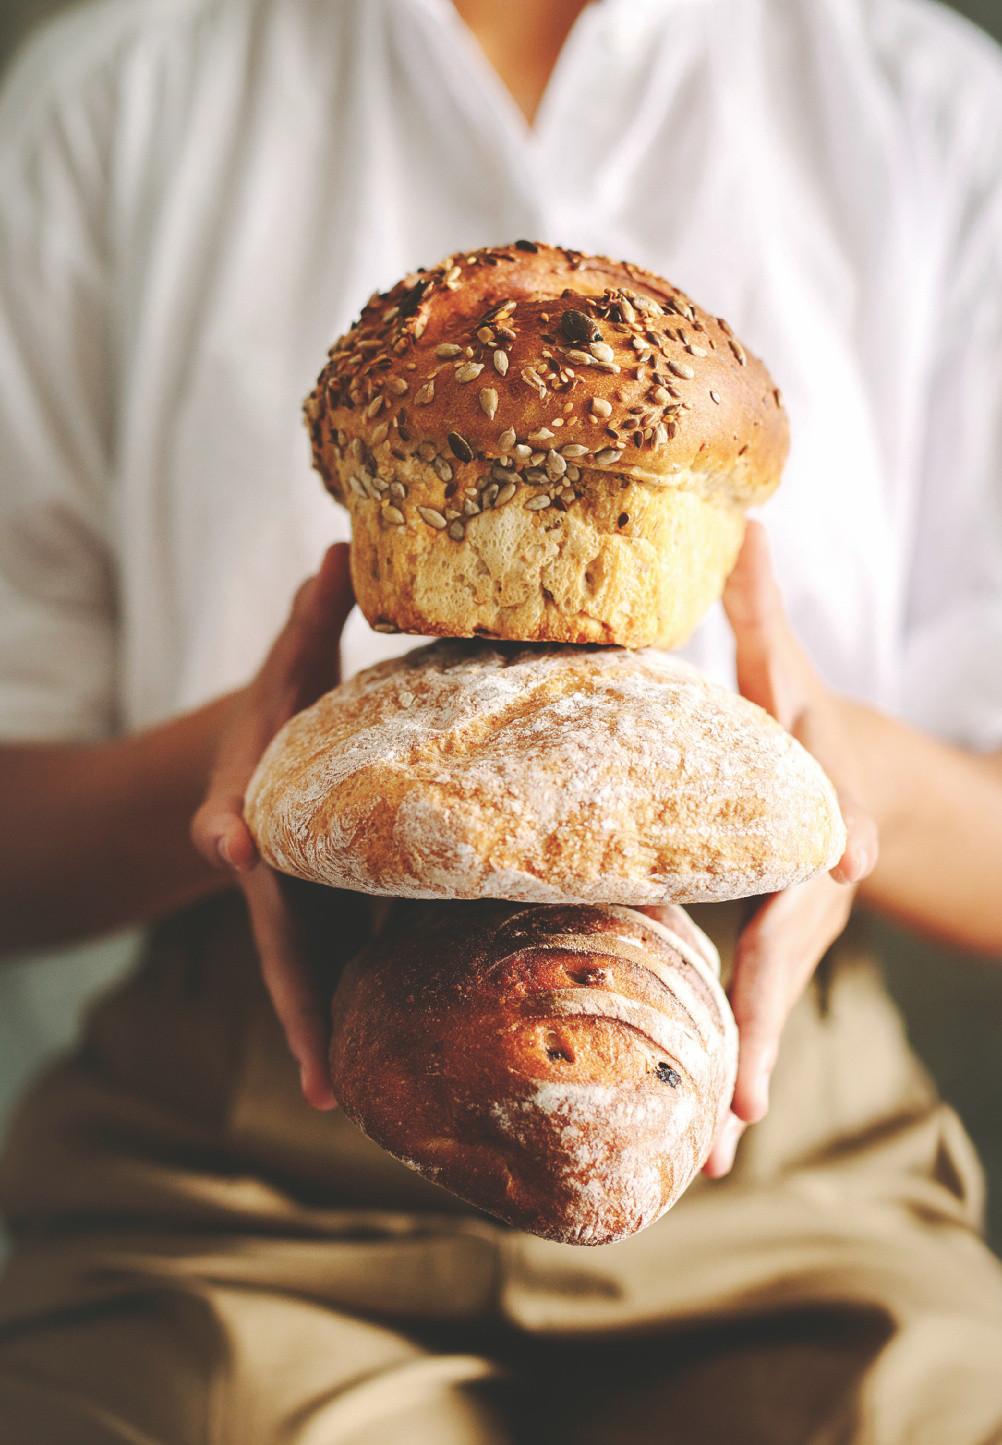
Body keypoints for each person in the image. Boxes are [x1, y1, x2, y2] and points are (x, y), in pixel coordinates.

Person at [0, 0, 1001, 1439]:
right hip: (244, 1172)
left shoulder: (929, 110)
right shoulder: (113, 98)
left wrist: (837, 790)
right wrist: (249, 783)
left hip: (778, 1153)